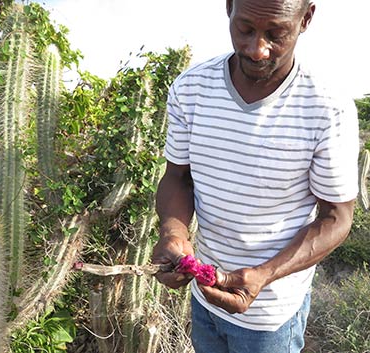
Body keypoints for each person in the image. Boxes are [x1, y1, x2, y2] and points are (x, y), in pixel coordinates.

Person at [152, 0, 359, 351]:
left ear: (306, 18)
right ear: (229, 6)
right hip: (204, 299)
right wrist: (174, 232)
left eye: (276, 34)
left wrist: (265, 275)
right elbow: (178, 178)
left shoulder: (328, 107)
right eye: (245, 29)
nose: (257, 50)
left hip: (271, 318)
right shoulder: (191, 89)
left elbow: (336, 217)